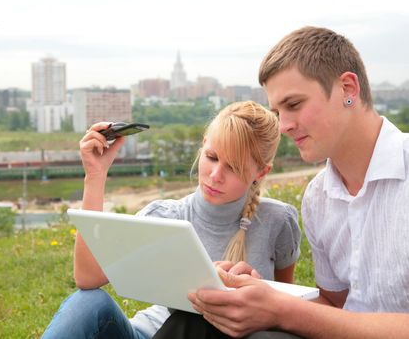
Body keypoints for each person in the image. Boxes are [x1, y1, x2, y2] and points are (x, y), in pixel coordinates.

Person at [153, 26, 409, 339]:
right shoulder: (319, 197)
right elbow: (337, 308)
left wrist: (282, 309)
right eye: (277, 111)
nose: (283, 126)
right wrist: (264, 293)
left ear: (347, 89)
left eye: (294, 105)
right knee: (199, 319)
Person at [41, 101, 302, 339]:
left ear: (261, 171)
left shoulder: (278, 221)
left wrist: (254, 290)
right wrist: (95, 176)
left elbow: (284, 310)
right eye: (211, 157)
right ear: (203, 145)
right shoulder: (164, 216)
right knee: (88, 303)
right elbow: (88, 279)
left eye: (233, 167)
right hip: (151, 334)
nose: (215, 175)